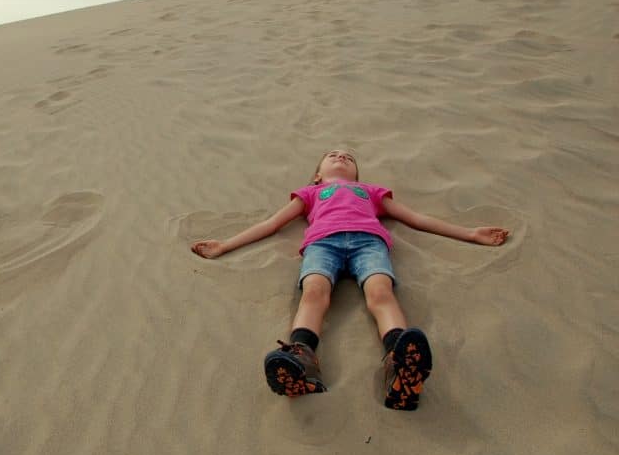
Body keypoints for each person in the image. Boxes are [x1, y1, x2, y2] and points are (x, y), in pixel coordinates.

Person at [190, 149, 509, 410]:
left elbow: (415, 218)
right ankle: (302, 359)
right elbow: (272, 223)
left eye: (348, 157)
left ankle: (398, 363)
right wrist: (226, 245)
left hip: (369, 243)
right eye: (332, 155)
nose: (341, 156)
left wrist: (470, 233)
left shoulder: (370, 192)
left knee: (380, 292)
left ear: (357, 174)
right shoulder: (310, 193)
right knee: (314, 292)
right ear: (318, 174)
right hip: (321, 244)